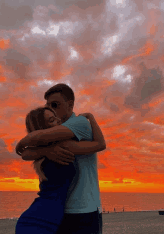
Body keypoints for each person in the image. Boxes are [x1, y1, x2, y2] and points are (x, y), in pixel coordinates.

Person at [15, 83, 106, 234]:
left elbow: (37, 138)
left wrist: (23, 142)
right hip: (59, 213)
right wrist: (47, 150)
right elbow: (27, 153)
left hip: (84, 210)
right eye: (49, 105)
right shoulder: (50, 141)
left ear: (70, 105)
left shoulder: (79, 122)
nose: (52, 109)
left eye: (55, 105)